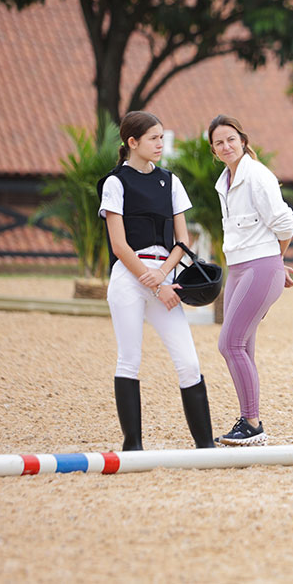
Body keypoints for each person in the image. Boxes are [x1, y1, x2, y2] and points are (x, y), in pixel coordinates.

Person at [97, 110, 214, 450]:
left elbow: (182, 241)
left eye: (162, 137)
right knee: (129, 359)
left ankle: (205, 446)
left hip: (165, 279)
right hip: (129, 278)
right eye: (153, 138)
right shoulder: (115, 183)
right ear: (132, 143)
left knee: (189, 362)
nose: (160, 144)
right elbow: (119, 245)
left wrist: (163, 277)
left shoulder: (170, 181)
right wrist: (154, 283)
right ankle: (132, 445)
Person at [208, 115, 293, 446]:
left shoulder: (258, 176)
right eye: (219, 142)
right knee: (242, 345)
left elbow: (285, 224)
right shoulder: (225, 182)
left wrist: (277, 260)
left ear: (243, 140)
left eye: (231, 139)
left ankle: (252, 424)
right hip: (238, 268)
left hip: (260, 266)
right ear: (213, 150)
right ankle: (249, 420)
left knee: (228, 344)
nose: (226, 146)